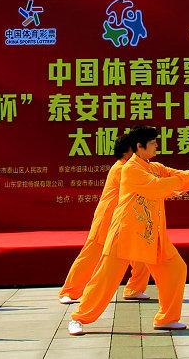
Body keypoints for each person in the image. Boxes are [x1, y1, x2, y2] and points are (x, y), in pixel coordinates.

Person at [68, 126, 189, 335]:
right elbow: (158, 186)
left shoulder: (154, 166)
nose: (157, 145)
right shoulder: (129, 169)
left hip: (152, 236)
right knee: (104, 280)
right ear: (140, 147)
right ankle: (78, 318)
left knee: (176, 269)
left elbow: (181, 177)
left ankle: (166, 318)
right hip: (125, 234)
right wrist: (185, 179)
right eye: (154, 142)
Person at [57, 130, 153, 304]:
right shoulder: (122, 168)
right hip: (107, 218)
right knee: (91, 255)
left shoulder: (132, 167)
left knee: (141, 255)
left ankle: (134, 289)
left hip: (126, 220)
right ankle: (69, 291)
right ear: (128, 151)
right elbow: (149, 183)